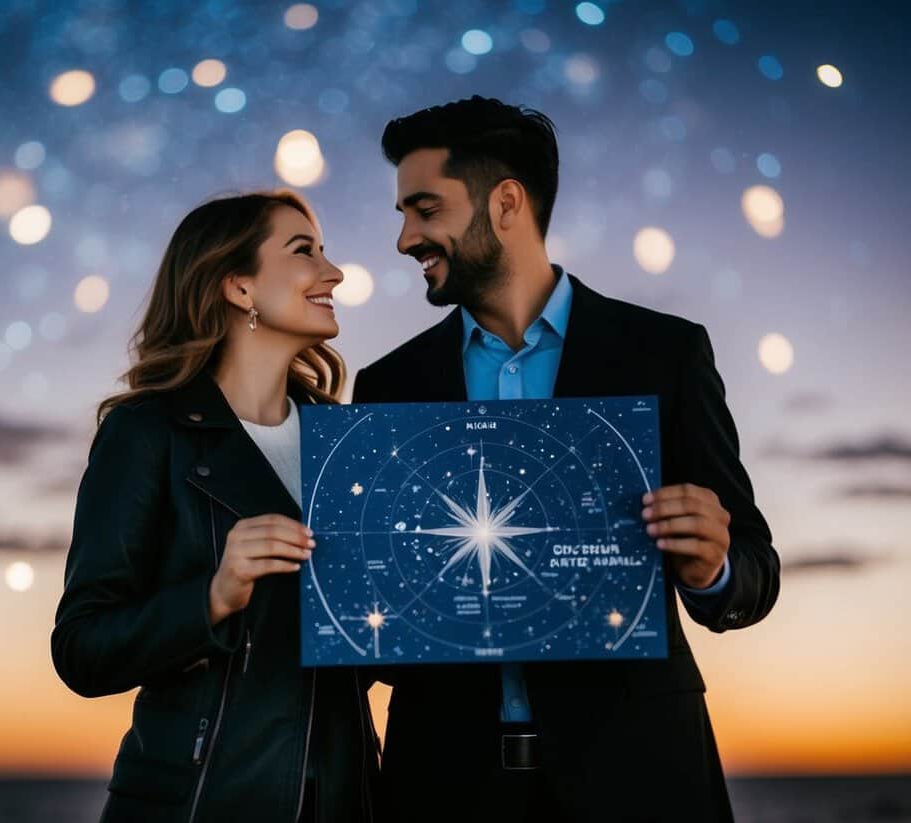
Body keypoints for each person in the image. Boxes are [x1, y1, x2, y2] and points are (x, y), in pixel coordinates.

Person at [352, 96, 781, 822]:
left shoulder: (665, 353)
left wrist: (714, 568)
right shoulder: (388, 387)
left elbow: (755, 568)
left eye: (424, 209)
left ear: (506, 202)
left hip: (638, 776)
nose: (404, 239)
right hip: (444, 784)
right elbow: (381, 627)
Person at [51, 190, 381, 823]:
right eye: (303, 251)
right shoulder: (146, 433)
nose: (333, 271)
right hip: (201, 803)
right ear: (238, 286)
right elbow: (82, 650)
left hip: (347, 800)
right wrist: (213, 598)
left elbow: (376, 644)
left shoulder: (349, 443)